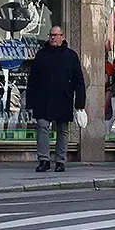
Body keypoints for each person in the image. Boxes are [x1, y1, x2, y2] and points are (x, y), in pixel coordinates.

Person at [27, 26, 86, 173]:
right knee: (42, 126)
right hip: (43, 98)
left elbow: (79, 80)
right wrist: (30, 100)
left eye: (56, 35)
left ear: (62, 37)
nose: (53, 38)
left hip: (63, 97)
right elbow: (33, 79)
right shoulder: (41, 54)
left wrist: (80, 103)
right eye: (51, 35)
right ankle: (44, 160)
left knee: (63, 130)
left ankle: (60, 161)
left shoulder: (71, 55)